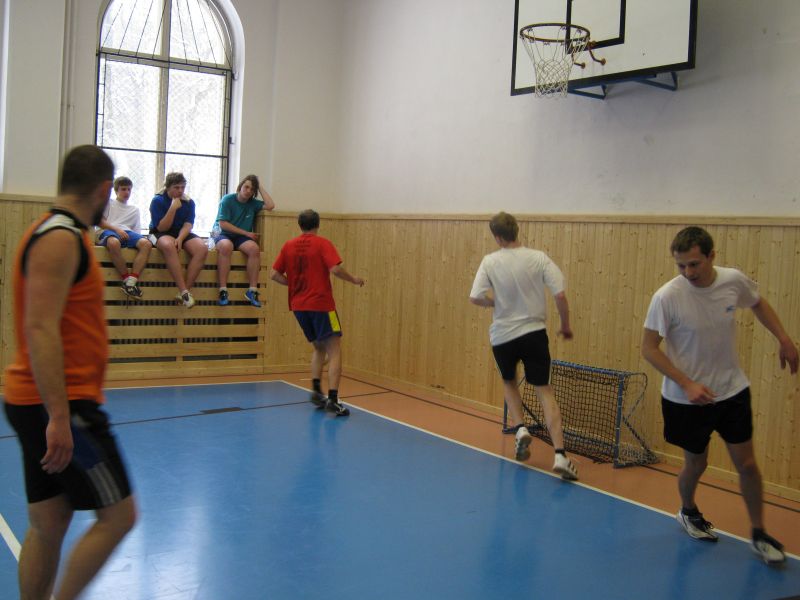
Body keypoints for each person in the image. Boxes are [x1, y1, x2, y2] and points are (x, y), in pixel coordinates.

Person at [3, 145, 137, 600]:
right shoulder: (59, 238)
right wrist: (59, 416)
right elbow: (39, 329)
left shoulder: (60, 232)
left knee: (49, 521)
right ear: (103, 190)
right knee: (119, 517)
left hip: (41, 401)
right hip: (63, 404)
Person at [641, 226, 798, 564]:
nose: (688, 272)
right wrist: (687, 383)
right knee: (697, 463)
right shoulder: (667, 297)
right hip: (686, 399)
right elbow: (649, 348)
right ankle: (688, 510)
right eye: (681, 265)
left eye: (694, 264)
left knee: (748, 465)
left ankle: (759, 532)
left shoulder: (732, 281)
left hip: (732, 391)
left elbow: (758, 303)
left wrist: (784, 338)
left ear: (711, 256)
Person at [469, 212, 578, 480]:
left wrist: (494, 303)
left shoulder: (490, 261)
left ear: (497, 237)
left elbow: (475, 297)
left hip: (503, 335)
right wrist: (565, 324)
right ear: (517, 231)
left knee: (509, 382)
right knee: (545, 391)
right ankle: (560, 455)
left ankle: (520, 428)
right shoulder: (539, 258)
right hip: (534, 333)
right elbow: (560, 295)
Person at [270, 209, 365, 416]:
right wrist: (354, 279)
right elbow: (336, 269)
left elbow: (274, 274)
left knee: (318, 347)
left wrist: (294, 286)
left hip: (298, 306)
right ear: (317, 224)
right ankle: (333, 399)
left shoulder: (288, 245)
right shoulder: (322, 243)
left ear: (300, 225)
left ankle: (315, 391)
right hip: (322, 305)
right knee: (334, 349)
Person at [213, 174, 275, 307]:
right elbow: (223, 224)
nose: (248, 191)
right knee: (226, 246)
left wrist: (259, 185)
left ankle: (252, 291)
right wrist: (246, 233)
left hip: (240, 237)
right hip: (223, 233)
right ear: (240, 186)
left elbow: (270, 205)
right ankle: (223, 290)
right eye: (246, 187)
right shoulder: (228, 199)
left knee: (254, 249)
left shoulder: (253, 203)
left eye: (252, 189)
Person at [149, 172, 208, 308]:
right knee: (169, 246)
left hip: (180, 232)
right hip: (159, 232)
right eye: (176, 187)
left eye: (183, 187)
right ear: (168, 188)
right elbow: (162, 227)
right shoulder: (157, 200)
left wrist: (180, 238)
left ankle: (184, 293)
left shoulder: (189, 202)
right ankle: (184, 291)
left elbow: (188, 225)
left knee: (202, 249)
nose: (180, 191)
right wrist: (172, 208)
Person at [97, 175, 152, 299]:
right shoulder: (109, 203)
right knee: (113, 243)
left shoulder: (134, 210)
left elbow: (136, 232)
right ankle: (126, 278)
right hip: (109, 231)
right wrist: (117, 229)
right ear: (116, 190)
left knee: (146, 244)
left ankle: (131, 282)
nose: (126, 192)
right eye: (123, 189)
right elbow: (100, 222)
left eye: (129, 189)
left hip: (127, 233)